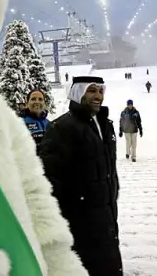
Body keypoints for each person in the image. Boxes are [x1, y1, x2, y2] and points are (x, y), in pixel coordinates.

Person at [39, 76, 123, 275]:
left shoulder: (105, 125)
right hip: (79, 222)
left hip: (107, 214)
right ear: (78, 92)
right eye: (91, 90)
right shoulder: (61, 128)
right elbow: (50, 181)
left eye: (100, 91)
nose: (97, 96)